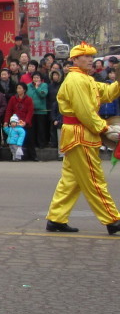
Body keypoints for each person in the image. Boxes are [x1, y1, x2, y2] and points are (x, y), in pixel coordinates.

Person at [45, 43, 120, 234]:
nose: (90, 59)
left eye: (91, 56)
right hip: (81, 133)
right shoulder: (77, 80)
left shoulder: (85, 78)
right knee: (94, 179)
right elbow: (85, 112)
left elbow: (106, 93)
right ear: (75, 59)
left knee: (71, 180)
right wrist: (104, 127)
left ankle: (56, 218)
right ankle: (112, 220)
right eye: (85, 56)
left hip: (80, 133)